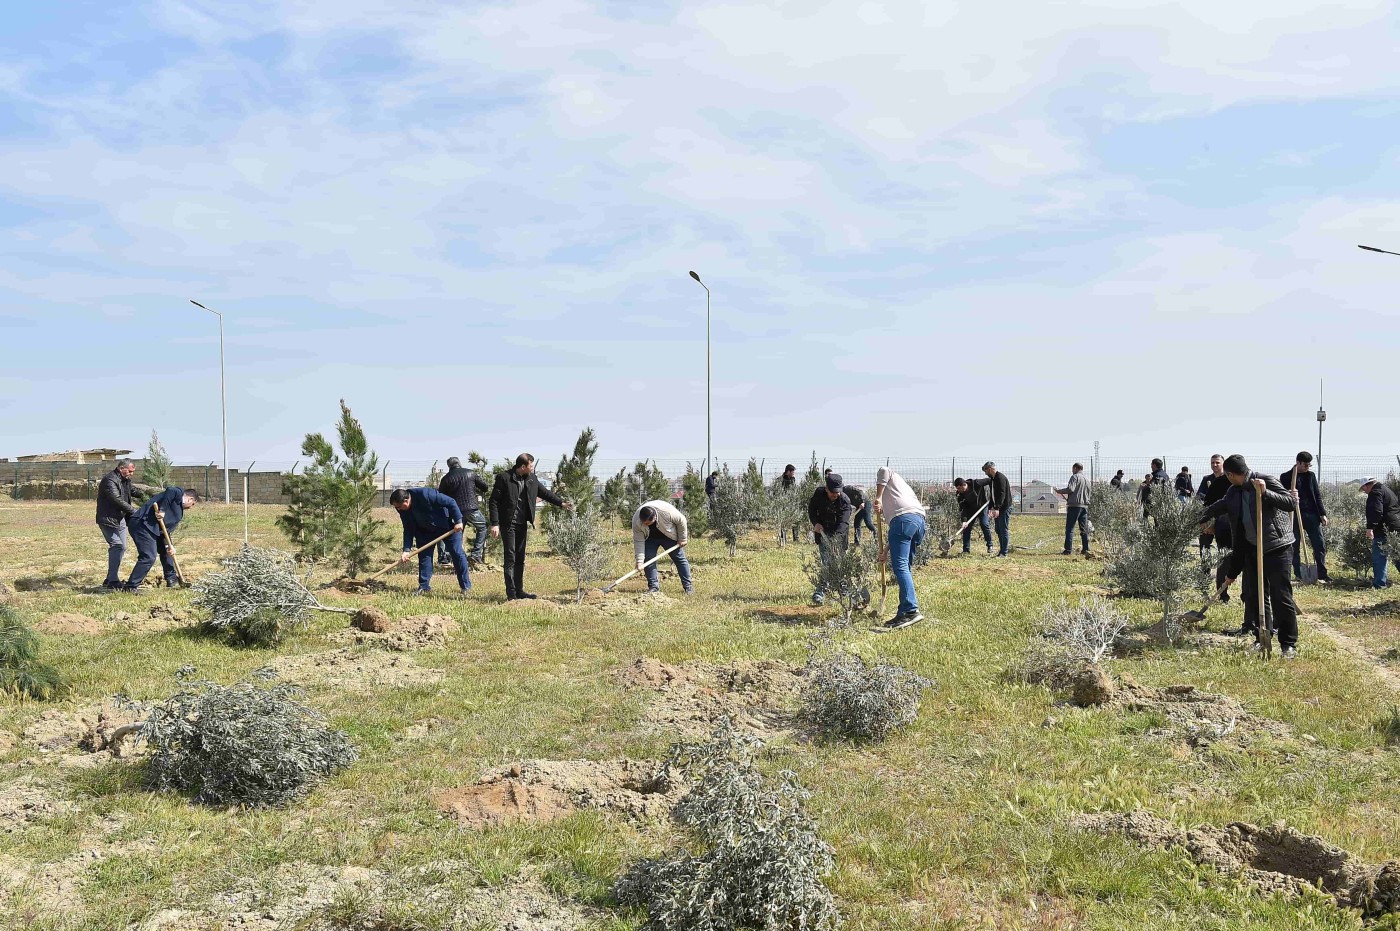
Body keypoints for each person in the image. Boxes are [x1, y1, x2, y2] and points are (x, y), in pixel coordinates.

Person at [1199, 455, 1299, 658]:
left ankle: (1288, 644)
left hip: (1276, 547)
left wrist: (1265, 492)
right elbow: (1220, 505)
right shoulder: (1233, 491)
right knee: (1255, 596)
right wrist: (1197, 517)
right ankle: (1262, 636)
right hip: (1252, 549)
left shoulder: (1265, 480)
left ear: (1230, 474)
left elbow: (1290, 503)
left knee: (1281, 596)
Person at [489, 453, 572, 600]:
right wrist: (495, 524)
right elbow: (493, 501)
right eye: (531, 466)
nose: (532, 468)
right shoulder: (504, 478)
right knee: (510, 558)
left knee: (520, 558)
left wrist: (561, 503)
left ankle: (519, 591)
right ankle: (511, 594)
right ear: (523, 466)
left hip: (522, 524)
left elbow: (544, 493)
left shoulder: (532, 479)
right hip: (508, 524)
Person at [873, 466, 926, 629]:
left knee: (901, 566)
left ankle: (911, 610)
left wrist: (879, 497)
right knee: (905, 567)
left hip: (903, 521)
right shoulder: (903, 490)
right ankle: (903, 612)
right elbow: (899, 534)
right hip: (918, 522)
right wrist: (886, 551)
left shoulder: (890, 476)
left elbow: (884, 470)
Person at [391, 486, 469, 596]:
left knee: (457, 554)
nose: (398, 509)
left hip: (448, 526)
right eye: (396, 507)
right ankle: (424, 586)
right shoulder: (401, 508)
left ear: (406, 500)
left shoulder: (425, 494)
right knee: (424, 557)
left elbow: (451, 502)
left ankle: (465, 587)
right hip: (424, 531)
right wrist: (406, 550)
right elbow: (408, 528)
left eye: (399, 507)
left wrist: (458, 521)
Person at [124, 486, 199, 592]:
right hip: (141, 525)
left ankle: (171, 579)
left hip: (154, 529)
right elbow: (170, 490)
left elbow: (165, 531)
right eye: (193, 504)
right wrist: (162, 510)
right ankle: (130, 587)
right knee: (149, 556)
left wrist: (169, 545)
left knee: (167, 552)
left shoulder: (178, 511)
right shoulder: (178, 493)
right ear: (190, 499)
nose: (191, 507)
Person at [1279, 451, 1330, 584]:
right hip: (1294, 515)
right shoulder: (1286, 477)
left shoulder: (1311, 476)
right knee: (1294, 546)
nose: (1307, 467)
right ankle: (1299, 574)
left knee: (1319, 545)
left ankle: (1321, 573)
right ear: (1298, 463)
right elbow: (1280, 495)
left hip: (1312, 515)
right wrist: (1289, 493)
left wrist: (1322, 514)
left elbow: (1317, 495)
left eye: (1309, 465)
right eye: (1306, 465)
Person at [437, 457, 490, 571]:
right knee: (482, 527)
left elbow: (441, 496)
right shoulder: (470, 473)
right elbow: (485, 487)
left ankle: (459, 558)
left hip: (455, 511)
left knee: (457, 535)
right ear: (459, 463)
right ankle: (476, 555)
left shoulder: (446, 479)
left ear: (449, 466)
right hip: (471, 509)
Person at [808, 472, 853, 606]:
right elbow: (811, 509)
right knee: (826, 563)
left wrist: (835, 541)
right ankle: (820, 593)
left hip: (839, 536)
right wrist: (815, 523)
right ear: (826, 489)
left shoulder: (845, 500)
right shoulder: (819, 494)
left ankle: (843, 589)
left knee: (839, 563)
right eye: (832, 492)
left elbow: (844, 523)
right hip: (823, 533)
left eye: (838, 492)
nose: (835, 495)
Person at [1195, 453, 1234, 603]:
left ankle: (1222, 593)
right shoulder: (1208, 480)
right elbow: (1201, 498)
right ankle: (1204, 583)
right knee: (1204, 550)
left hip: (1225, 522)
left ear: (1223, 464)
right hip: (1208, 519)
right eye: (1213, 463)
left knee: (1224, 556)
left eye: (1217, 462)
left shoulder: (1230, 480)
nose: (1215, 465)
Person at [632, 500, 692, 595]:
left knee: (679, 558)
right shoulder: (637, 521)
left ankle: (688, 587)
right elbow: (638, 541)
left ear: (655, 517)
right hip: (650, 538)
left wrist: (682, 538)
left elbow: (682, 520)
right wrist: (639, 561)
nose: (646, 525)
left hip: (669, 536)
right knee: (648, 560)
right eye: (644, 523)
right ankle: (653, 587)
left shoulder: (666, 512)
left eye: (648, 523)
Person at [96, 459, 138, 590]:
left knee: (123, 546)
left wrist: (155, 495)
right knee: (117, 545)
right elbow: (117, 500)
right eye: (130, 471)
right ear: (121, 468)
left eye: (133, 472)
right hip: (108, 519)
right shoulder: (110, 480)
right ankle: (113, 581)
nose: (131, 474)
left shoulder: (125, 480)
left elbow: (135, 491)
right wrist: (135, 512)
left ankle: (110, 578)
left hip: (120, 519)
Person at [1360, 477, 1400, 588]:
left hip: (1383, 529)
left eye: (1364, 489)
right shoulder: (1387, 490)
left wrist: (1370, 527)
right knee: (1397, 554)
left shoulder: (1375, 492)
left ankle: (1379, 584)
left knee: (1379, 556)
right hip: (1396, 526)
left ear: (1366, 485)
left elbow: (1376, 510)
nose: (1364, 492)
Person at [972, 462, 1013, 557]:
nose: (985, 473)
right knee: (998, 529)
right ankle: (1001, 551)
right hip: (997, 508)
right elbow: (993, 495)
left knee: (1003, 529)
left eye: (986, 471)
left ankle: (1004, 552)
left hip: (1004, 508)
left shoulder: (1000, 478)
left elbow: (1002, 494)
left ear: (990, 469)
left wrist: (997, 508)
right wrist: (991, 507)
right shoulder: (993, 479)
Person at [1055, 463, 1091, 556]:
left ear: (1075, 468)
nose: (1072, 471)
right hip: (1084, 506)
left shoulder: (1075, 477)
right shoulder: (1087, 480)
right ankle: (1086, 549)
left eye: (1072, 469)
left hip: (1074, 506)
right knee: (1083, 529)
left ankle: (1068, 550)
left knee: (1070, 528)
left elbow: (1071, 489)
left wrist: (1059, 491)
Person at [954, 477, 992, 555]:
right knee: (966, 528)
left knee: (984, 524)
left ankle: (990, 546)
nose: (958, 490)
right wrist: (964, 521)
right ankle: (966, 550)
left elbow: (990, 480)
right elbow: (962, 508)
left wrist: (992, 495)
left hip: (982, 507)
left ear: (964, 485)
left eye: (959, 488)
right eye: (957, 488)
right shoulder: (959, 494)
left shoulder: (976, 483)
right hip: (970, 510)